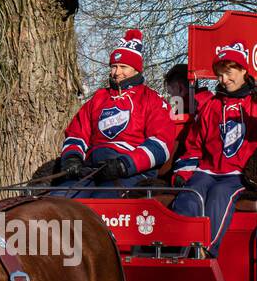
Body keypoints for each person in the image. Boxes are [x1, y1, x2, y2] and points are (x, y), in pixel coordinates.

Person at [169, 43, 257, 255]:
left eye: (229, 73)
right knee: (190, 194)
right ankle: (176, 253)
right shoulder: (211, 105)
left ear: (244, 71)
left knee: (221, 195)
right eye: (219, 74)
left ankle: (204, 252)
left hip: (239, 173)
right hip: (207, 171)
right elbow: (194, 144)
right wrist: (183, 172)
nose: (223, 80)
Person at [55, 29, 176, 197]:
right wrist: (72, 158)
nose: (117, 72)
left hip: (132, 173)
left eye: (123, 67)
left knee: (101, 206)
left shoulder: (153, 100)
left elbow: (161, 144)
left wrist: (124, 164)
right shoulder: (98, 98)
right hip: (92, 170)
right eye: (114, 66)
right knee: (59, 201)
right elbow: (77, 133)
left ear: (136, 69)